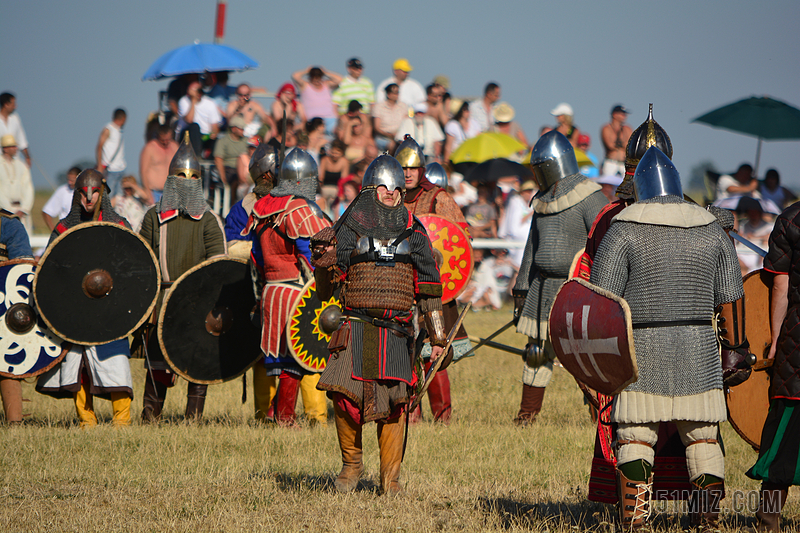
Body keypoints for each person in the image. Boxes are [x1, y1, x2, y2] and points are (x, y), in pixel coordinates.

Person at [590, 147, 744, 530]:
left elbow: (600, 298)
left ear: (638, 187)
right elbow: (733, 297)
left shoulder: (624, 228)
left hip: (643, 350)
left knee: (636, 436)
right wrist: (736, 349)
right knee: (703, 439)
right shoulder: (710, 228)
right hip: (698, 349)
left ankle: (636, 520)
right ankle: (707, 519)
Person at [312, 153, 446, 494]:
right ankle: (351, 466)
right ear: (370, 189)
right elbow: (326, 289)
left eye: (397, 188)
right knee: (344, 396)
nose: (392, 193)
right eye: (384, 187)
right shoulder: (349, 229)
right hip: (356, 326)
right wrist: (323, 262)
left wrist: (439, 336)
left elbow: (429, 285)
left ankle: (391, 479)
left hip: (397, 330)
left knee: (395, 405)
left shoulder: (415, 232)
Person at [512, 131, 607, 425]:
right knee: (536, 353)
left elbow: (606, 243)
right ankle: (527, 415)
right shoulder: (541, 200)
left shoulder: (590, 197)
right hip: (542, 287)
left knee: (588, 357)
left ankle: (599, 417)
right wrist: (521, 287)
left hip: (577, 288)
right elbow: (531, 248)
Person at [138, 134, 226, 422]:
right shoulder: (154, 217)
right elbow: (142, 259)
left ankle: (193, 419)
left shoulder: (209, 220)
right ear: (171, 180)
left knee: (197, 361)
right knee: (158, 363)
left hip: (197, 303)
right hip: (162, 300)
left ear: (198, 182)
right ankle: (150, 416)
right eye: (181, 177)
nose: (186, 183)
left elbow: (217, 266)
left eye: (191, 178)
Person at [36, 170, 133, 427]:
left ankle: (122, 421)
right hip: (75, 307)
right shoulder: (64, 228)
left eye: (94, 192)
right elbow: (50, 268)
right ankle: (86, 421)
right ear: (77, 194)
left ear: (103, 193)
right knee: (77, 364)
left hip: (110, 307)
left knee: (116, 361)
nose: (89, 198)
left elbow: (132, 268)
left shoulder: (119, 226)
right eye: (83, 192)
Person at [242, 149, 332, 427]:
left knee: (283, 358)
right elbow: (310, 253)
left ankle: (273, 412)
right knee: (294, 359)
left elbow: (255, 255)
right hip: (295, 291)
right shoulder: (297, 209)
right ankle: (285, 418)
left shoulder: (262, 206)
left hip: (271, 290)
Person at [397, 137, 471, 423]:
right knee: (405, 352)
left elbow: (461, 236)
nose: (407, 173)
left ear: (422, 169)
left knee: (435, 353)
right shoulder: (392, 198)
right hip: (403, 287)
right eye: (402, 167)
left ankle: (442, 417)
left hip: (432, 288)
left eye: (413, 168)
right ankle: (410, 413)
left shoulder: (438, 197)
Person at [745, 197, 800, 532]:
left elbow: (780, 285)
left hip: (797, 337)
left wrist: (777, 337)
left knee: (787, 427)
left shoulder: (791, 219)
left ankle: (769, 517)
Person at [224, 144, 279, 421]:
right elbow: (233, 247)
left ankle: (312, 417)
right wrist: (265, 250)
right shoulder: (243, 208)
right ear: (266, 175)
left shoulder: (296, 204)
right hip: (258, 288)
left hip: (292, 284)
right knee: (263, 353)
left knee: (300, 349)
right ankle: (265, 413)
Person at [0, 208, 34, 424]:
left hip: (3, 311)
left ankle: (14, 422)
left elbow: (22, 271)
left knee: (5, 363)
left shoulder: (8, 225)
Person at [292, 66, 342, 137]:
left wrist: (325, 72)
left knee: (340, 131)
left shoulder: (326, 85)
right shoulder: (305, 85)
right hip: (312, 121)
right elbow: (295, 76)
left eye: (318, 79)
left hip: (329, 119)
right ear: (310, 78)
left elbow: (339, 79)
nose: (317, 82)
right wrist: (306, 70)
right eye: (314, 79)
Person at [0, 134, 34, 235]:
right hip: (4, 211)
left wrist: (24, 209)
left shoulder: (21, 165)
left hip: (21, 211)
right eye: (12, 146)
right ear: (5, 149)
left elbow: (28, 188)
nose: (16, 149)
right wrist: (8, 209)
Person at [178, 81, 222, 157]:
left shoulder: (210, 103)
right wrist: (193, 101)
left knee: (218, 142)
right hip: (188, 135)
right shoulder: (184, 101)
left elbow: (215, 126)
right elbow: (189, 120)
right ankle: (196, 157)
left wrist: (214, 133)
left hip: (205, 136)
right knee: (194, 126)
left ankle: (211, 161)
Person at [498, 180, 535, 269]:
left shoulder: (527, 204)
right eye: (527, 191)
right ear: (522, 192)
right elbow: (515, 224)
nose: (529, 193)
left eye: (530, 191)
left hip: (524, 240)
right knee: (518, 269)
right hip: (517, 239)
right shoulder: (515, 202)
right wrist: (532, 213)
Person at [213, 115, 250, 205]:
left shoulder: (246, 141)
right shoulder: (223, 141)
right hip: (229, 169)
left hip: (245, 168)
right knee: (235, 180)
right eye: (241, 128)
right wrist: (222, 177)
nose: (243, 131)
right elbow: (218, 159)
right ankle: (232, 205)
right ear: (233, 129)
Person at [139, 123, 179, 203]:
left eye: (168, 140)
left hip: (171, 193)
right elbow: (143, 172)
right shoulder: (149, 148)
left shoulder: (175, 147)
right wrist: (148, 193)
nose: (165, 142)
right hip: (154, 192)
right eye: (163, 140)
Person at [96, 108, 127, 198]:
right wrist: (100, 165)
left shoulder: (119, 130)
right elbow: (99, 146)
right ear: (123, 118)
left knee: (119, 198)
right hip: (111, 169)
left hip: (121, 167)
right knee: (109, 197)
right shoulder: (108, 129)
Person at [372, 83, 409, 153]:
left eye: (397, 93)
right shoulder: (379, 107)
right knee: (393, 146)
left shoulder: (403, 106)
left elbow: (406, 123)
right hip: (383, 137)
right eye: (394, 93)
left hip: (400, 137)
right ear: (388, 94)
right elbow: (377, 127)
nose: (396, 95)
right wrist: (390, 135)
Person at [42, 166, 80, 231]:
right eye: (68, 180)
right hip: (66, 232)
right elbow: (46, 212)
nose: (69, 182)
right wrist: (55, 232)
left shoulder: (86, 192)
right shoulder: (62, 191)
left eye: (72, 180)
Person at [600, 105, 632, 177]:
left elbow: (629, 146)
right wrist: (622, 144)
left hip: (623, 164)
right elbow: (610, 145)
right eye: (622, 114)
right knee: (608, 185)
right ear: (615, 114)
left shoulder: (627, 129)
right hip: (611, 162)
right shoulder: (606, 128)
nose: (625, 116)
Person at [0, 93, 30, 168]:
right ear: (6, 104)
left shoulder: (15, 118)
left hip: (15, 160)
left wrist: (27, 157)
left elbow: (22, 140)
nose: (15, 106)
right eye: (13, 104)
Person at [318, 139, 350, 204]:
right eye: (333, 153)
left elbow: (343, 180)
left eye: (337, 153)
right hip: (325, 189)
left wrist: (340, 194)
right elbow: (321, 178)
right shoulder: (325, 160)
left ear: (342, 153)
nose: (334, 155)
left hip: (337, 190)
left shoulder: (344, 162)